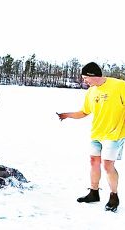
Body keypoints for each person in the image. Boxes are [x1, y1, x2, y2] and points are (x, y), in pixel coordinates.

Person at [57, 62, 125, 212]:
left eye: (85, 78)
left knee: (108, 165)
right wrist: (67, 115)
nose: (84, 81)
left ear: (94, 75)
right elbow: (84, 112)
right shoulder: (90, 92)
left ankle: (114, 196)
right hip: (96, 134)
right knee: (94, 162)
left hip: (114, 134)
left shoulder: (120, 86)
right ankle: (94, 193)